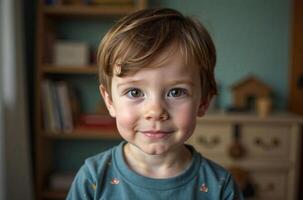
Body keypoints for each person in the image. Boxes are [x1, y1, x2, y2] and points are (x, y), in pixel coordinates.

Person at [67, 8, 244, 200]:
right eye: (134, 92)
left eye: (176, 92)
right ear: (109, 101)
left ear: (203, 102)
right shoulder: (92, 179)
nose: (156, 111)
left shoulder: (220, 185)